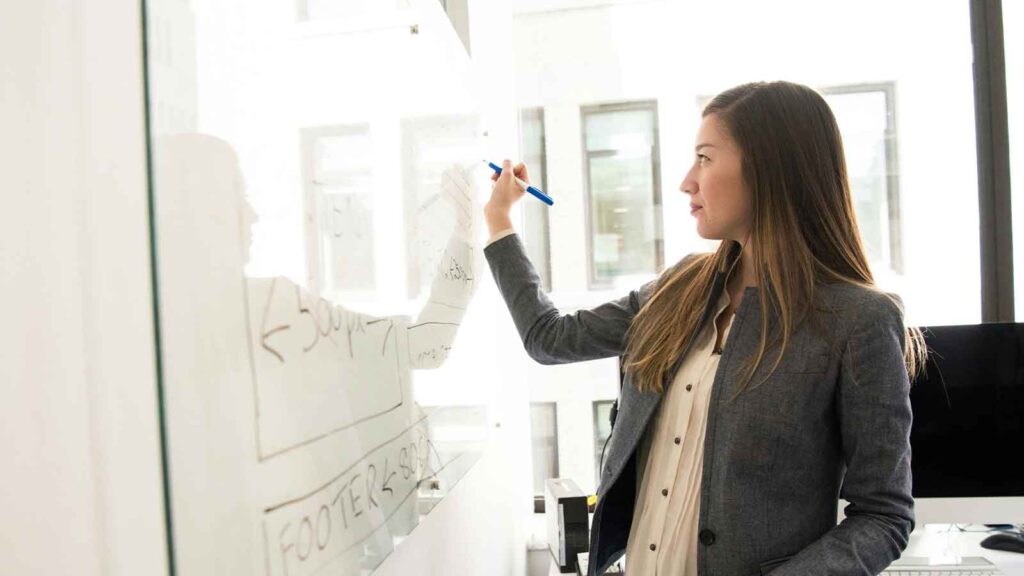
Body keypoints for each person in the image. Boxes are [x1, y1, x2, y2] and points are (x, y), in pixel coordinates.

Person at [482, 81, 927, 576]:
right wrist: (499, 221)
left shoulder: (857, 321)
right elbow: (550, 338)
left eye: (705, 158)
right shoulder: (679, 288)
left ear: (769, 168)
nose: (687, 181)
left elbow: (883, 515)